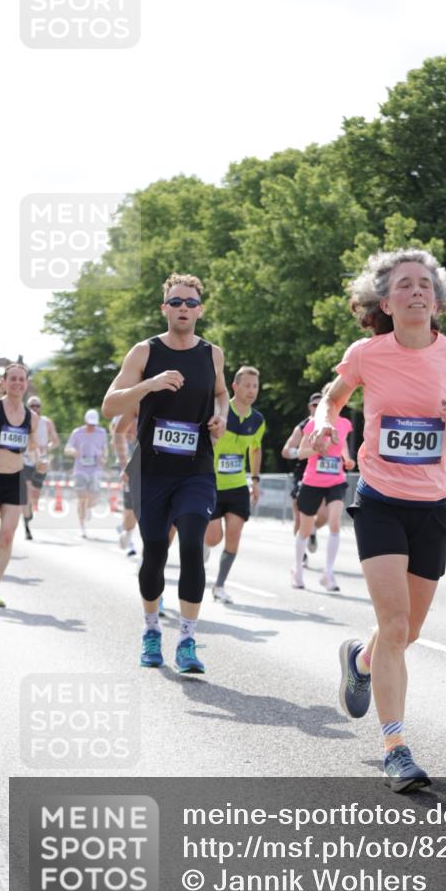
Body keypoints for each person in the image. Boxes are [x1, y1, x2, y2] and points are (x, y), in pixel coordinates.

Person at [310, 248, 446, 792]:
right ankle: (395, 747)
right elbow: (332, 400)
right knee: (394, 624)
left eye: (425, 285)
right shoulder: (366, 353)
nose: (416, 292)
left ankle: (361, 661)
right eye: (405, 284)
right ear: (385, 302)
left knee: (408, 632)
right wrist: (322, 424)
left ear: (438, 300)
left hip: (432, 505)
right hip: (381, 500)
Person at [101, 273, 228, 674]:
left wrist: (221, 417)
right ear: (164, 309)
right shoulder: (145, 352)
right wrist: (149, 385)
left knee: (191, 543)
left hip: (196, 469)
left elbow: (221, 393)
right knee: (155, 552)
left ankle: (187, 640)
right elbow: (109, 406)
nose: (183, 308)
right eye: (176, 302)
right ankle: (152, 629)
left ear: (200, 310)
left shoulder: (212, 354)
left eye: (190, 302)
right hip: (151, 470)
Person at [203, 366, 265, 603]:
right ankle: (204, 544)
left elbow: (255, 449)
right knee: (213, 538)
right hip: (211, 483)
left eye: (255, 386)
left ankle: (219, 585)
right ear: (235, 387)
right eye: (247, 385)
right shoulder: (219, 412)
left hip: (238, 484)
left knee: (234, 534)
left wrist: (255, 480)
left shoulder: (257, 420)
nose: (251, 390)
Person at [291, 385, 354, 591]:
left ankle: (328, 573)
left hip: (336, 480)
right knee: (305, 528)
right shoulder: (313, 424)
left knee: (334, 522)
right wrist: (317, 449)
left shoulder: (344, 424)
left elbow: (342, 445)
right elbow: (301, 453)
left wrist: (347, 459)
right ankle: (297, 570)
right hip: (312, 481)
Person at [0, 363, 38, 606]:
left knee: (7, 537)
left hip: (15, 480)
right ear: (3, 383)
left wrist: (40, 461)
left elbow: (32, 449)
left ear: (26, 384)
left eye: (22, 379)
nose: (18, 383)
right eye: (13, 379)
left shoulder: (32, 418)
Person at [281, 392, 329, 562]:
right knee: (299, 517)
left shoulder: (330, 425)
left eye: (321, 404)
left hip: (324, 475)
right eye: (315, 405)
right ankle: (301, 555)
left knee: (324, 515)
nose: (318, 408)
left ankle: (312, 529)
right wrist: (303, 452)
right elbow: (286, 451)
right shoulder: (302, 427)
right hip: (303, 474)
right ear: (310, 407)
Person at [64, 410, 108, 538]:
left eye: (94, 424)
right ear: (85, 421)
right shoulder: (77, 433)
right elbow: (67, 448)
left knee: (94, 498)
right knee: (81, 499)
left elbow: (105, 450)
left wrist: (104, 458)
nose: (91, 426)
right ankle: (82, 526)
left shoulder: (102, 433)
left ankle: (89, 508)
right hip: (80, 470)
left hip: (96, 469)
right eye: (90, 424)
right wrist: (73, 451)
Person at [22, 395, 59, 539]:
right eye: (32, 406)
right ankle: (26, 525)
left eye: (37, 406)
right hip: (25, 461)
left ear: (41, 408)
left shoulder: (47, 422)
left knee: (35, 494)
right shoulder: (22, 420)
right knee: (27, 491)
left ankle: (29, 511)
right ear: (27, 407)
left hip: (41, 462)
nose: (35, 408)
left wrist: (47, 447)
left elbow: (55, 441)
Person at [110, 411, 139, 556]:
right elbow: (115, 438)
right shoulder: (122, 415)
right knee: (131, 507)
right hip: (127, 467)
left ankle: (127, 530)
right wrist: (125, 467)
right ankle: (127, 533)